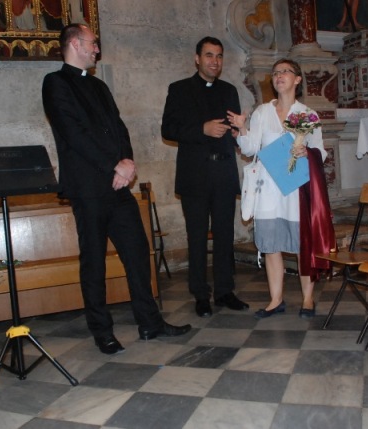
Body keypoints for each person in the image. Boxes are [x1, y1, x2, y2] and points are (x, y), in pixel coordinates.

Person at [42, 23, 191, 355]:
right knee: (94, 262)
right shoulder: (55, 83)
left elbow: (119, 128)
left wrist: (128, 163)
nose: (97, 49)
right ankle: (102, 331)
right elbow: (74, 133)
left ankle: (150, 323)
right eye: (93, 43)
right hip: (88, 188)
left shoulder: (98, 86)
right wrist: (115, 165)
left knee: (138, 253)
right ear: (75, 43)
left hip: (118, 186)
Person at [228, 59, 335, 319]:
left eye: (285, 71)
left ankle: (307, 298)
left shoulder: (307, 114)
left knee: (301, 243)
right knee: (271, 244)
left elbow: (321, 152)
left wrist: (307, 152)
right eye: (275, 73)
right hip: (268, 189)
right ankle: (276, 300)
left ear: (297, 79)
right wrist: (242, 128)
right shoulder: (262, 112)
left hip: (295, 188)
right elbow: (250, 149)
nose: (279, 76)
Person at [162, 36, 249, 318]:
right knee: (197, 236)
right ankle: (200, 294)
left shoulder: (229, 90)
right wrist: (202, 129)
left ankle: (224, 291)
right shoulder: (179, 89)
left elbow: (234, 130)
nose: (215, 61)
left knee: (224, 235)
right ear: (197, 58)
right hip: (195, 175)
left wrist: (237, 132)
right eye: (209, 55)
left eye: (219, 56)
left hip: (223, 172)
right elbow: (168, 129)